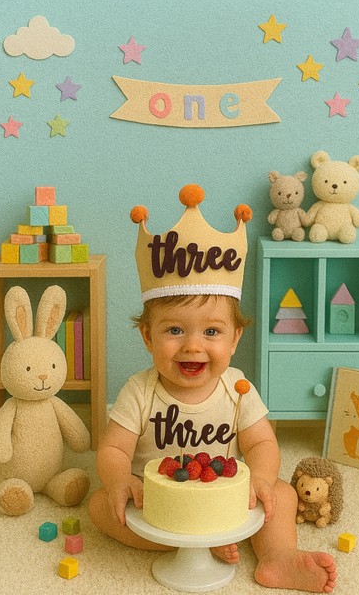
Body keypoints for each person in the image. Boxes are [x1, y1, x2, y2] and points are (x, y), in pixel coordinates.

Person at [88, 185, 337, 593]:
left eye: (211, 332)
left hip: (228, 499)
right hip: (160, 504)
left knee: (282, 494)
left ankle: (276, 558)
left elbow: (261, 442)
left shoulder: (238, 388)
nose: (193, 346)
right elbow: (114, 449)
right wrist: (119, 482)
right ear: (148, 336)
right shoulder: (139, 390)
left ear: (235, 338)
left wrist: (261, 477)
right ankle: (184, 545)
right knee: (101, 506)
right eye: (174, 330)